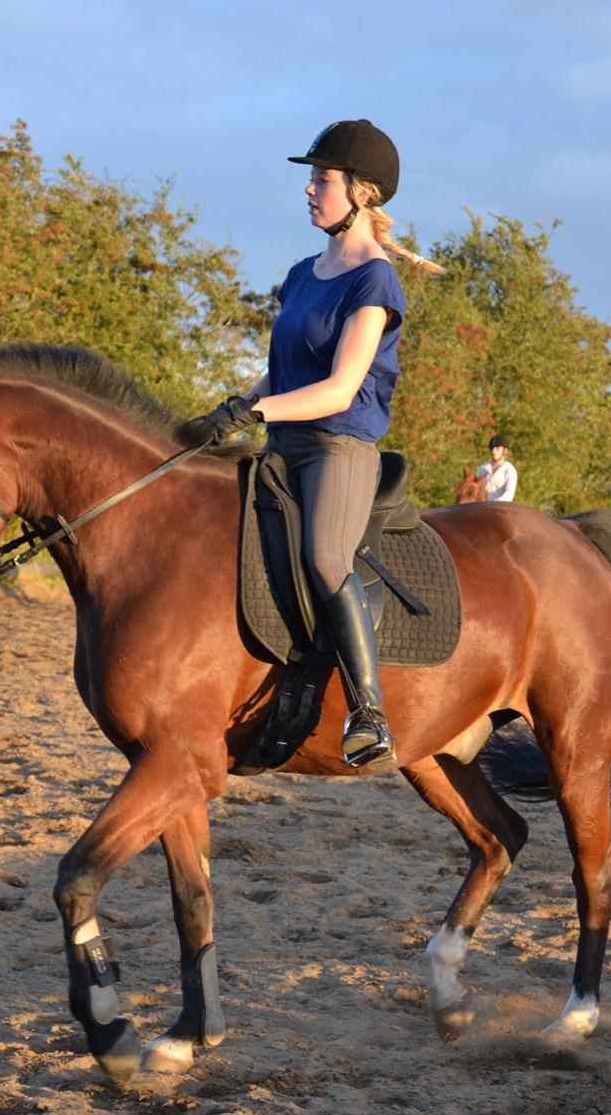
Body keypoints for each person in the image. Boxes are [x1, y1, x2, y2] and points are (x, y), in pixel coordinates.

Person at [179, 120, 442, 772]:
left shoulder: (374, 282)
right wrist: (229, 409)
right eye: (312, 178)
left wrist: (251, 409)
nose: (308, 189)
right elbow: (284, 367)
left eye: (321, 179)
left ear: (363, 193)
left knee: (326, 559)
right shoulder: (302, 275)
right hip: (280, 443)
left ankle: (368, 714)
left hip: (337, 447)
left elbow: (338, 388)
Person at [476, 435, 517, 502]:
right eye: (492, 448)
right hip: (482, 508)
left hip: (501, 508)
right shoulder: (482, 469)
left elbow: (509, 494)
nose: (493, 451)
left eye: (497, 448)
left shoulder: (510, 471)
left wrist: (494, 503)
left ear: (505, 451)